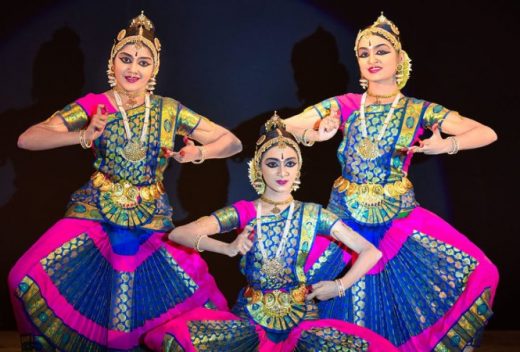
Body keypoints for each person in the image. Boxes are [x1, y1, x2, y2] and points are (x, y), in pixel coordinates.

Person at [8, 12, 242, 351]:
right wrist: (84, 136)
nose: (133, 68)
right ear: (112, 62)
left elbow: (231, 142)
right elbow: (28, 138)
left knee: (133, 323)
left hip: (149, 222)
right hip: (95, 211)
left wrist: (199, 154)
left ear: (153, 70)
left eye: (144, 62)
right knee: (23, 277)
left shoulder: (168, 110)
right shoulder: (96, 104)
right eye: (126, 59)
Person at [283, 13, 499, 351]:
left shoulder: (417, 109)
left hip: (398, 221)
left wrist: (448, 144)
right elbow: (286, 125)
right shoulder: (348, 105)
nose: (372, 59)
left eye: (381, 51)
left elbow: (486, 133)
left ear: (400, 58)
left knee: (475, 274)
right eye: (364, 53)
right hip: (344, 220)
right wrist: (314, 133)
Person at [143, 114, 398, 351]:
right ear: (259, 168)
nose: (282, 172)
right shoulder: (245, 211)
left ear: (298, 168)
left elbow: (370, 252)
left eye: (290, 163)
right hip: (250, 321)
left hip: (303, 321)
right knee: (176, 341)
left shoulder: (313, 214)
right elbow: (180, 234)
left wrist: (339, 286)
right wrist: (228, 248)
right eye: (273, 164)